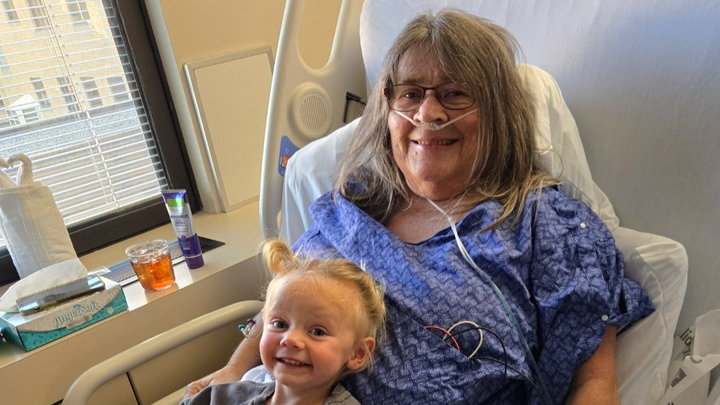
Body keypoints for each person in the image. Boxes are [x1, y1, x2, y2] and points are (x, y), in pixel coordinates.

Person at [186, 9, 654, 404]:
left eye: (455, 93)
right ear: (387, 109)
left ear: (497, 111)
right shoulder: (353, 207)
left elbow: (594, 383)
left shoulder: (545, 224)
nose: (427, 114)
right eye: (410, 93)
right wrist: (233, 370)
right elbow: (289, 302)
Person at [181, 238, 385, 405]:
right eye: (280, 324)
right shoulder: (227, 396)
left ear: (357, 353)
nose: (290, 339)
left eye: (317, 331)